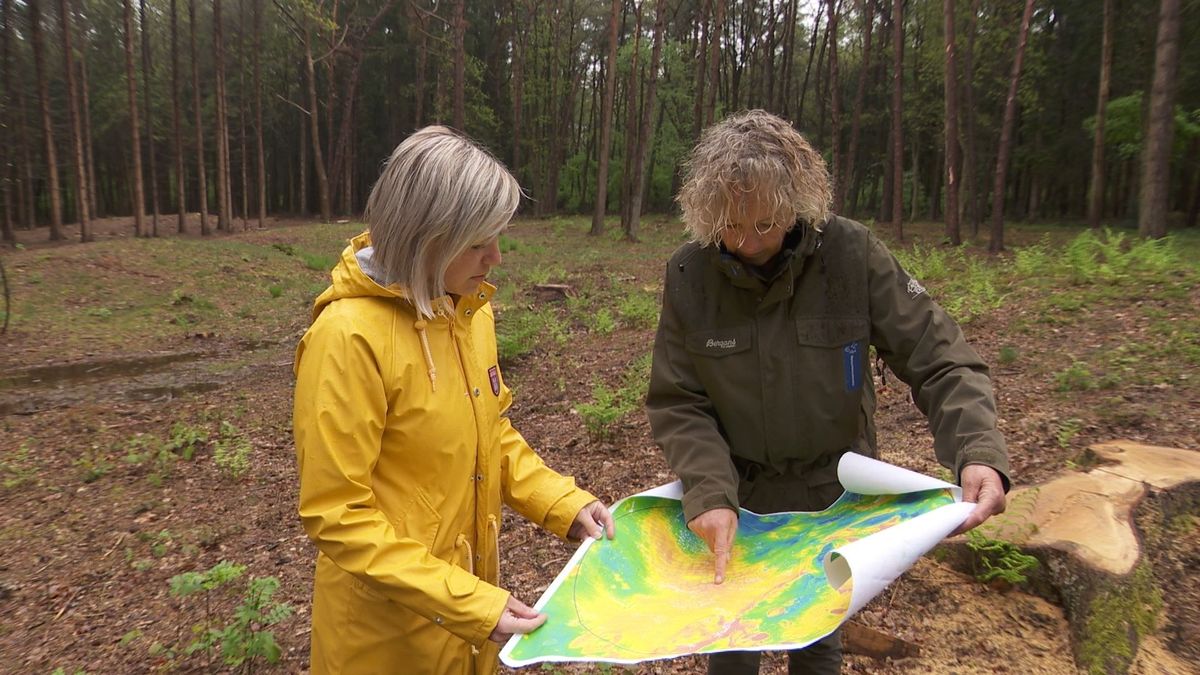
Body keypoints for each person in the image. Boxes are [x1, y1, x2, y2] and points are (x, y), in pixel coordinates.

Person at [645, 110, 1010, 674]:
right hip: (738, 496)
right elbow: (679, 400)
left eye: (764, 225)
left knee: (817, 638)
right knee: (731, 638)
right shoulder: (690, 273)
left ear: (798, 205)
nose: (745, 242)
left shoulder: (851, 255)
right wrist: (710, 493)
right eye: (729, 226)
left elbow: (939, 358)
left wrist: (977, 451)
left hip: (833, 495)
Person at [293, 126, 614, 675]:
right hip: (384, 641)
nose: (495, 258)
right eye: (477, 241)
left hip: (464, 619)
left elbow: (490, 433)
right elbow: (337, 515)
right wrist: (471, 605)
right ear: (425, 236)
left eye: (498, 237)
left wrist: (561, 503)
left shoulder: (467, 309)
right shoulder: (348, 337)